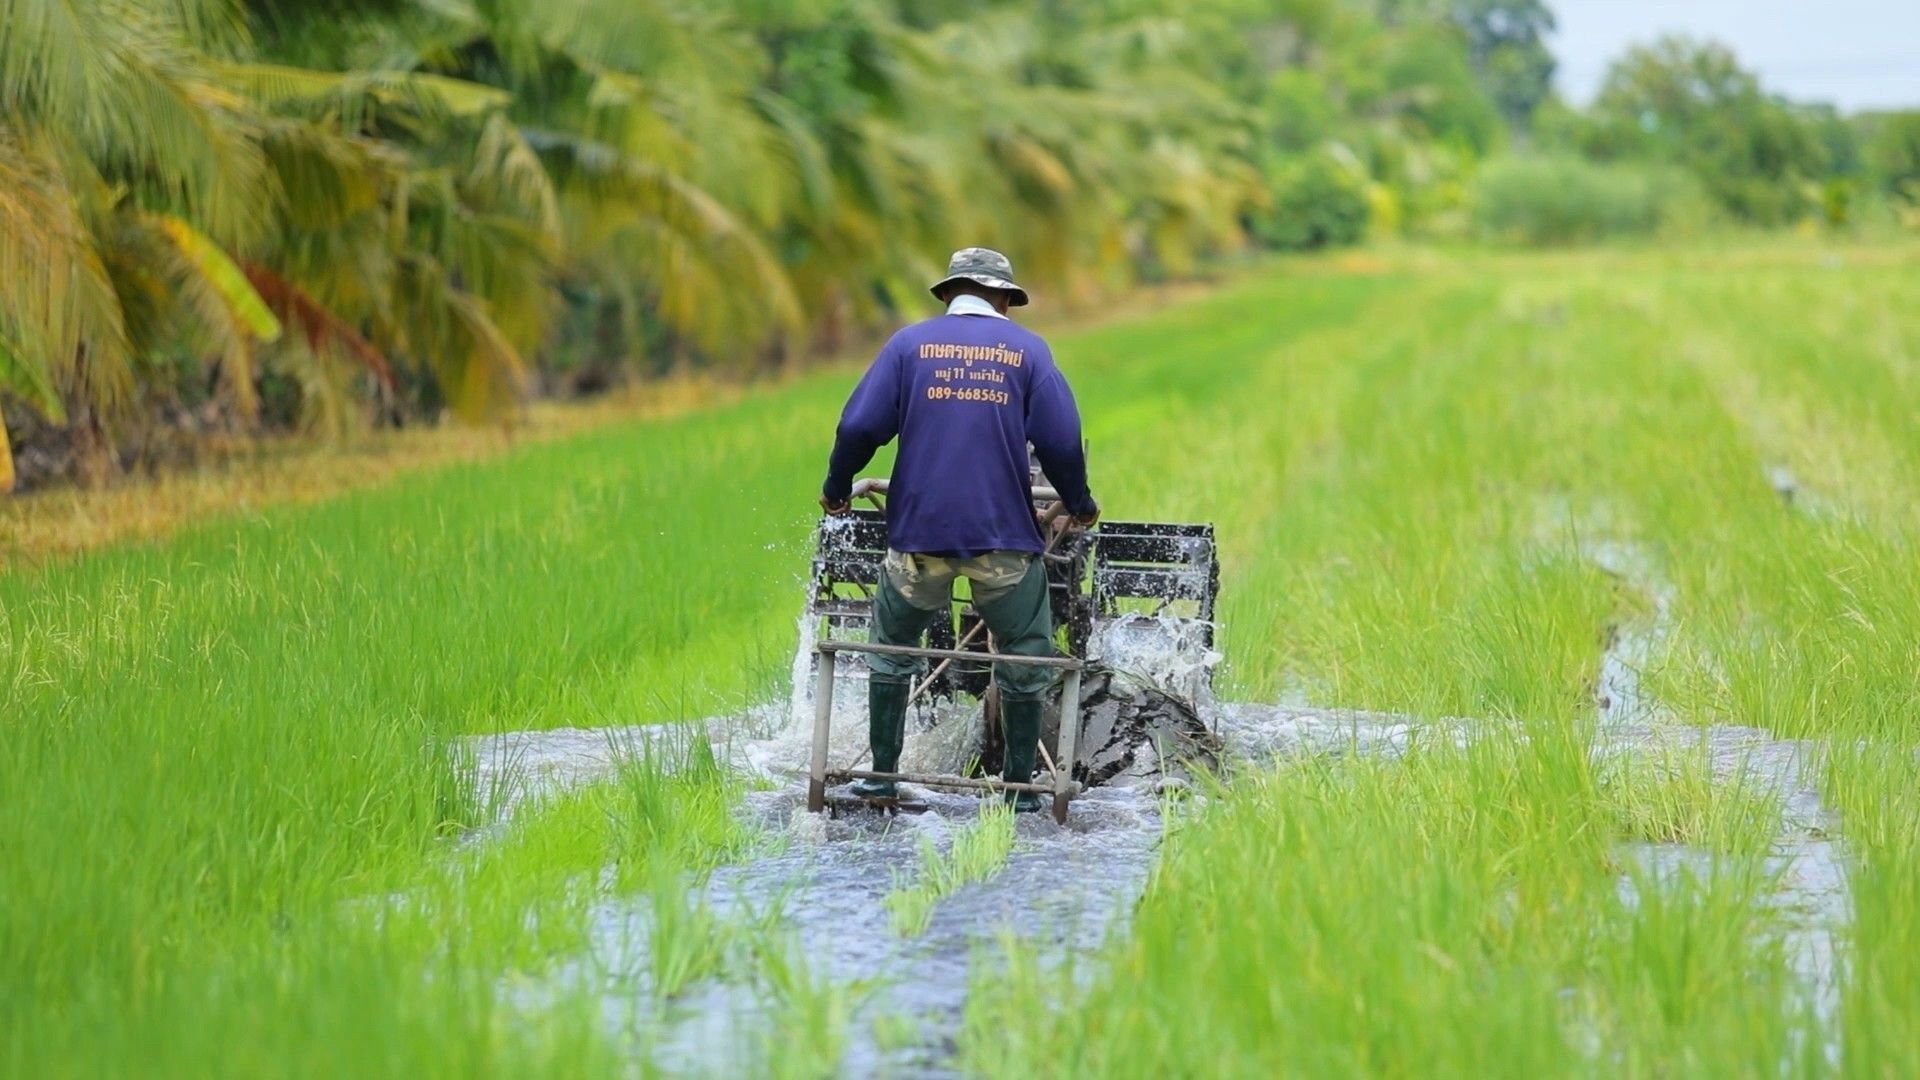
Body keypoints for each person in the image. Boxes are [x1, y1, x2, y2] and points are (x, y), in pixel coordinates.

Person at [820, 247, 1099, 811]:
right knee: (1024, 649)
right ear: (1003, 298)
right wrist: (1078, 502)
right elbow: (1062, 442)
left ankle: (881, 777)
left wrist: (836, 486)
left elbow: (859, 425)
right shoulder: (1029, 352)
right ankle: (1020, 789)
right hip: (1003, 541)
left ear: (949, 294)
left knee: (893, 647)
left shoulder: (908, 346)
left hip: (918, 538)